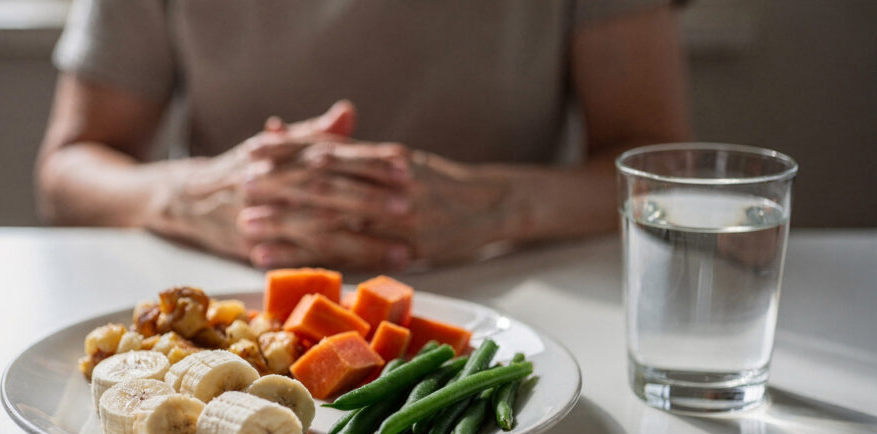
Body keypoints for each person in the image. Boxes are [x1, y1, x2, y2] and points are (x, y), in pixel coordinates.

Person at [36, 0, 690, 271]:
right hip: (234, 300)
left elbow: (664, 177)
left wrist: (496, 204)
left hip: (510, 308)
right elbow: (68, 171)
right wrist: (198, 195)